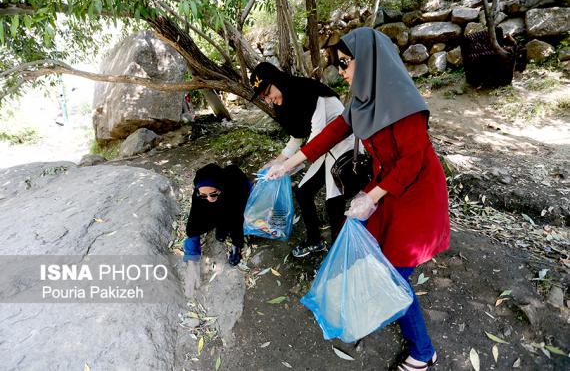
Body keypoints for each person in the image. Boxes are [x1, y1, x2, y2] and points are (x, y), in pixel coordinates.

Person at [267, 27, 450, 371]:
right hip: (386, 189)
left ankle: (423, 352)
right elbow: (329, 134)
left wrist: (371, 196)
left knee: (394, 273)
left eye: (345, 63)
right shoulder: (363, 101)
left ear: (368, 61)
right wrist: (286, 164)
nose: (341, 71)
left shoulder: (404, 104)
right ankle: (368, 307)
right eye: (339, 64)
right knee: (372, 250)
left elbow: (411, 163)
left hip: (417, 194)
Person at [250, 62, 355, 258]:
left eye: (268, 92)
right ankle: (315, 241)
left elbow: (317, 139)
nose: (268, 99)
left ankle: (340, 250)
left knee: (333, 198)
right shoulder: (282, 104)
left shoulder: (305, 90)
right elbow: (297, 137)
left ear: (277, 80)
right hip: (322, 148)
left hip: (342, 142)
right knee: (304, 192)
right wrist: (277, 161)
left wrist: (286, 166)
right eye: (264, 97)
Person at [184, 163, 251, 267]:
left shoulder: (234, 188)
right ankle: (221, 227)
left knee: (234, 216)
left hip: (237, 192)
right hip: (222, 197)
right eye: (203, 196)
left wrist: (237, 243)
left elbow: (237, 218)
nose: (209, 199)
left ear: (220, 186)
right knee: (209, 211)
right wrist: (191, 255)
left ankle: (235, 247)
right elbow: (194, 219)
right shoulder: (199, 194)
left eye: (213, 194)